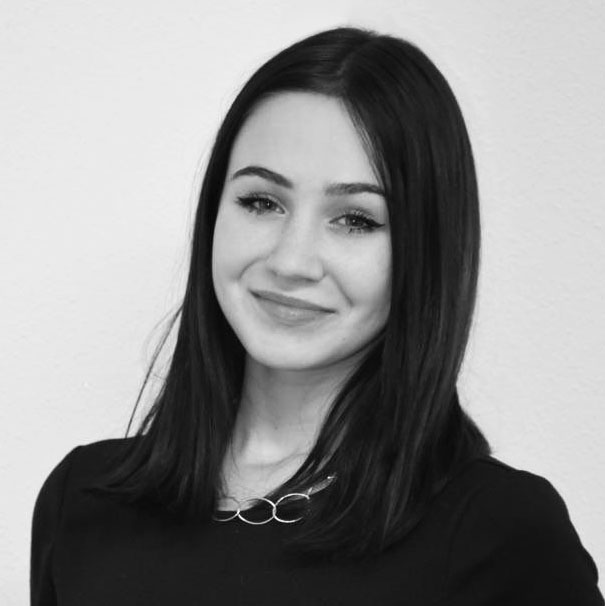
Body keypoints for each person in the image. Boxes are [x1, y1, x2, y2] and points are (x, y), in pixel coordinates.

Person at [30, 26, 604, 605]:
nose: (291, 261)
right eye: (261, 202)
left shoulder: (500, 534)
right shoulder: (82, 499)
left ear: (426, 250)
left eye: (355, 219)